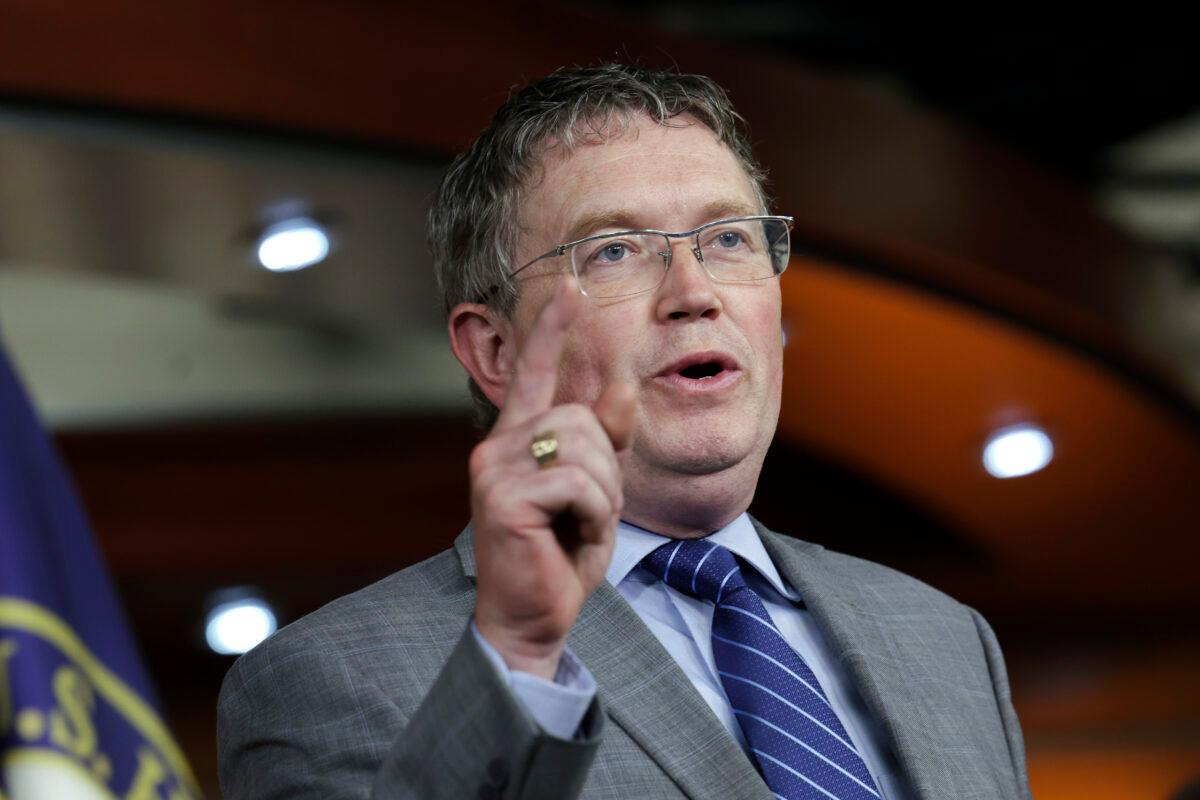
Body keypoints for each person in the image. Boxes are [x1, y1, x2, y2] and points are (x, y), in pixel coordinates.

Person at [217, 64, 1031, 800]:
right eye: (614, 252)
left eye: (727, 239)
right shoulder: (330, 676)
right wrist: (517, 663)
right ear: (496, 349)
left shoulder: (944, 637)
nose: (693, 291)